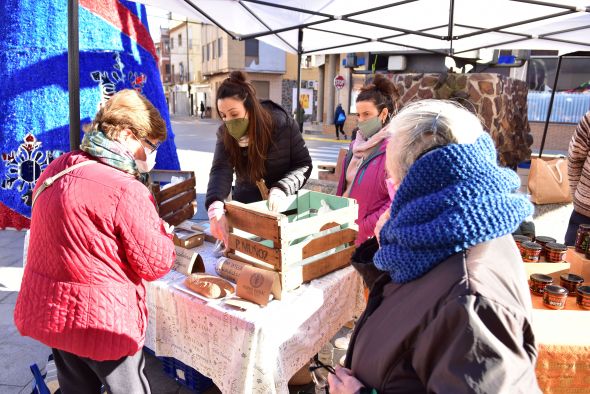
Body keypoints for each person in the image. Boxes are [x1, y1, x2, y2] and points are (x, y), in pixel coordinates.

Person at [329, 100, 541, 393]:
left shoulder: (470, 301)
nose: (392, 189)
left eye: (393, 179)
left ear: (414, 181)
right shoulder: (463, 226)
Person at [14, 89, 176, 394]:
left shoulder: (60, 166)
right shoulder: (126, 189)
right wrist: (164, 233)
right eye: (151, 145)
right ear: (128, 135)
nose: (153, 154)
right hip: (103, 323)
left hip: (57, 313)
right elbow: (154, 264)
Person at [206, 71, 312, 249]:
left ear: (250, 108)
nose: (229, 121)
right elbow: (220, 170)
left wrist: (281, 189)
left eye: (234, 114)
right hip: (246, 209)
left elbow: (303, 165)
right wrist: (215, 207)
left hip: (283, 210)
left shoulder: (281, 123)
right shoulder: (225, 134)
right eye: (224, 116)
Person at [336, 74, 399, 247]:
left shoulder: (393, 150)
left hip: (369, 240)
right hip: (342, 231)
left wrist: (363, 227)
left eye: (367, 114)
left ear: (383, 113)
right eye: (358, 115)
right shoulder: (354, 146)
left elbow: (395, 200)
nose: (361, 120)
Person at [565, 111, 590, 245]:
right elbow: (575, 157)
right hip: (584, 215)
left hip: (584, 209)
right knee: (572, 260)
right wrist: (579, 195)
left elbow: (575, 157)